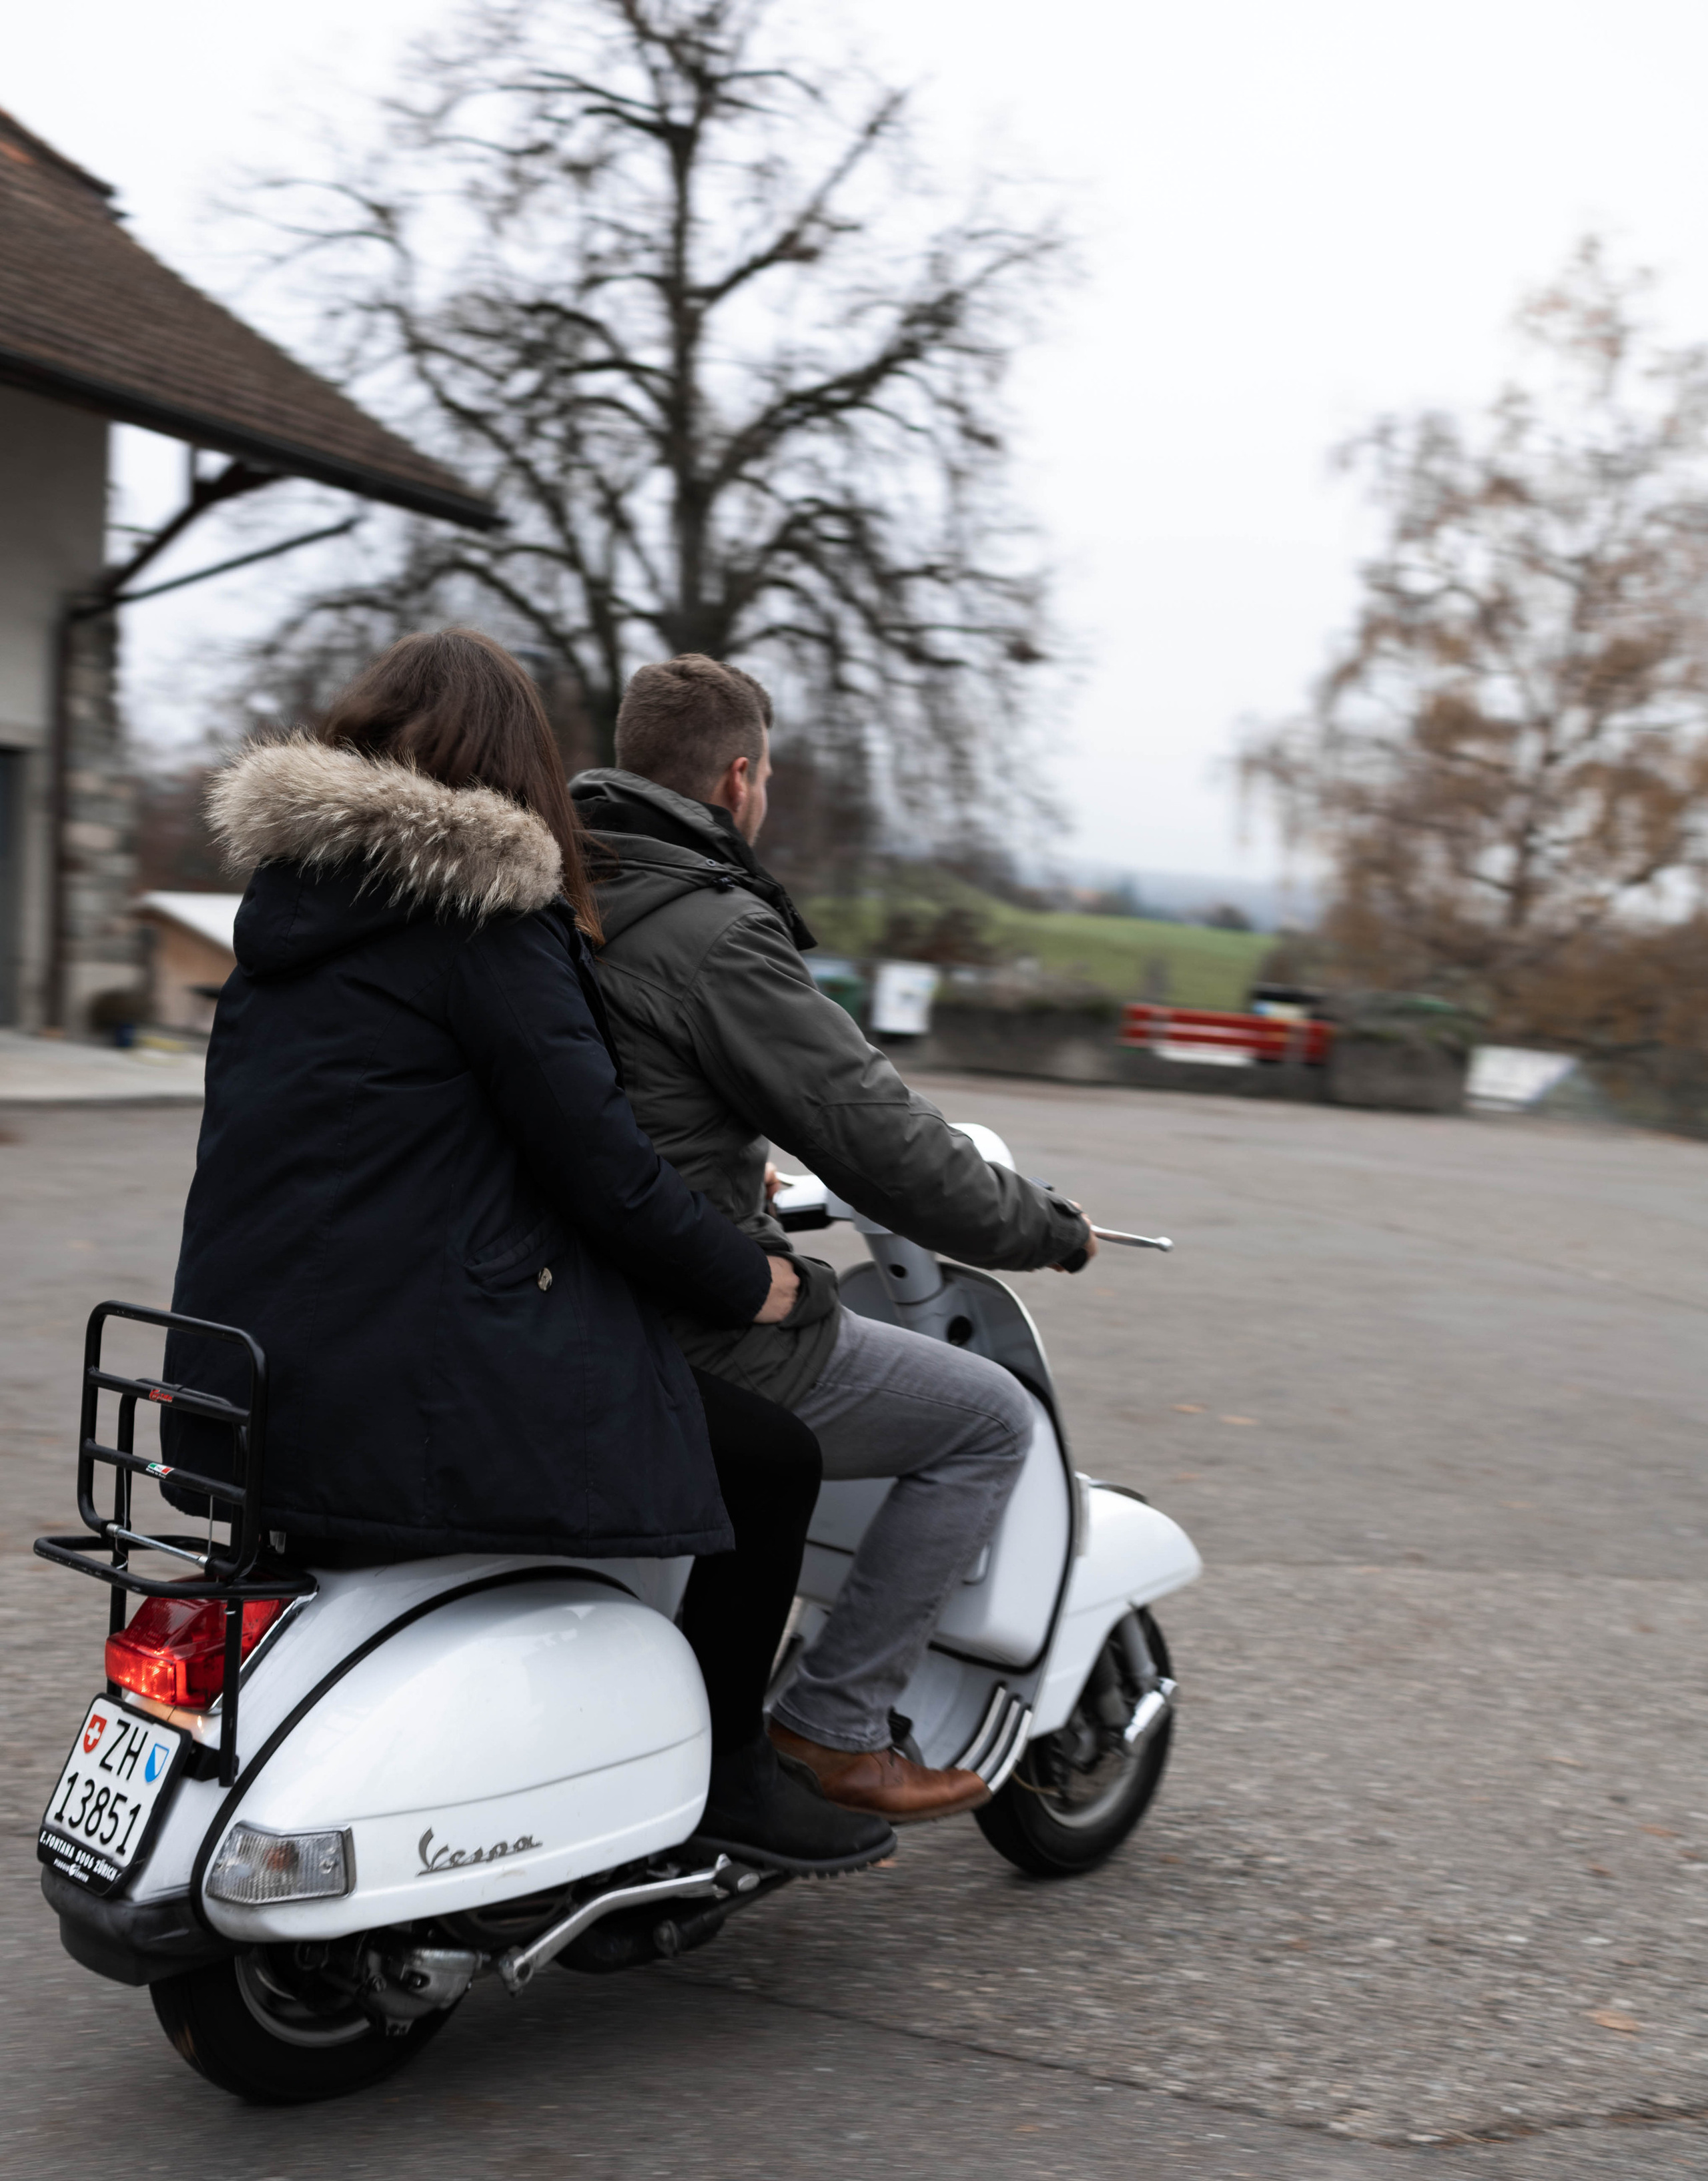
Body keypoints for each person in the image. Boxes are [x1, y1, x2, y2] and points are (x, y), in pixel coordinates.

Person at [163, 629, 892, 1877]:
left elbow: (398, 1137)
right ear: (516, 765)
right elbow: (600, 1167)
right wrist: (745, 1277)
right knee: (770, 1459)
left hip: (237, 1378)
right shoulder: (487, 923)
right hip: (401, 1382)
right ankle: (726, 1775)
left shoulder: (285, 921)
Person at [572, 654, 1094, 1825]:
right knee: (985, 1420)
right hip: (687, 1313)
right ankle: (834, 1722)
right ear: (741, 776)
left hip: (568, 1290)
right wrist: (1044, 1228)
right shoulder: (709, 927)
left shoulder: (564, 891)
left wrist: (722, 1151)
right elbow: (880, 1137)